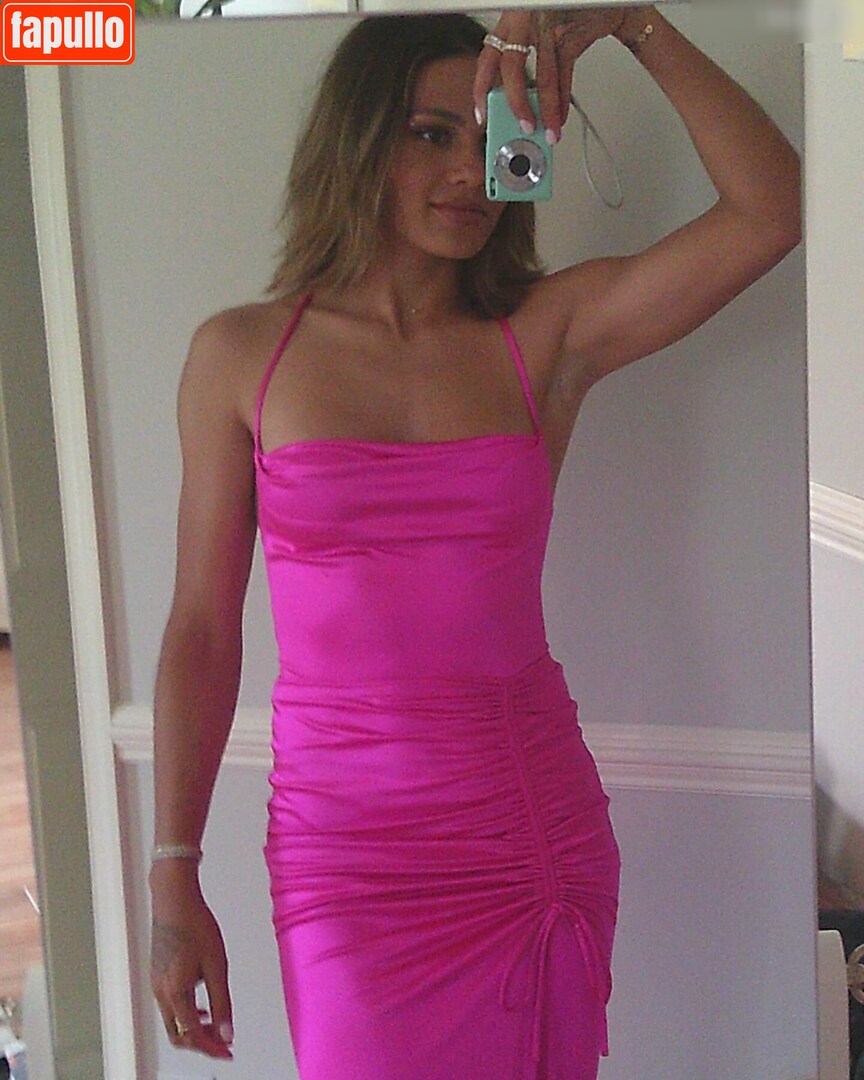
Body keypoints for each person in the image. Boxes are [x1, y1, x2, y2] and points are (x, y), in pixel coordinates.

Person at [148, 7, 801, 1080]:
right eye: (430, 132)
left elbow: (771, 209)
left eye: (494, 131)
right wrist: (174, 872)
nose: (468, 172)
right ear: (359, 141)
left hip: (526, 830)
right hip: (344, 850)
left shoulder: (545, 334)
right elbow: (203, 631)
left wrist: (632, 20)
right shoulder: (241, 355)